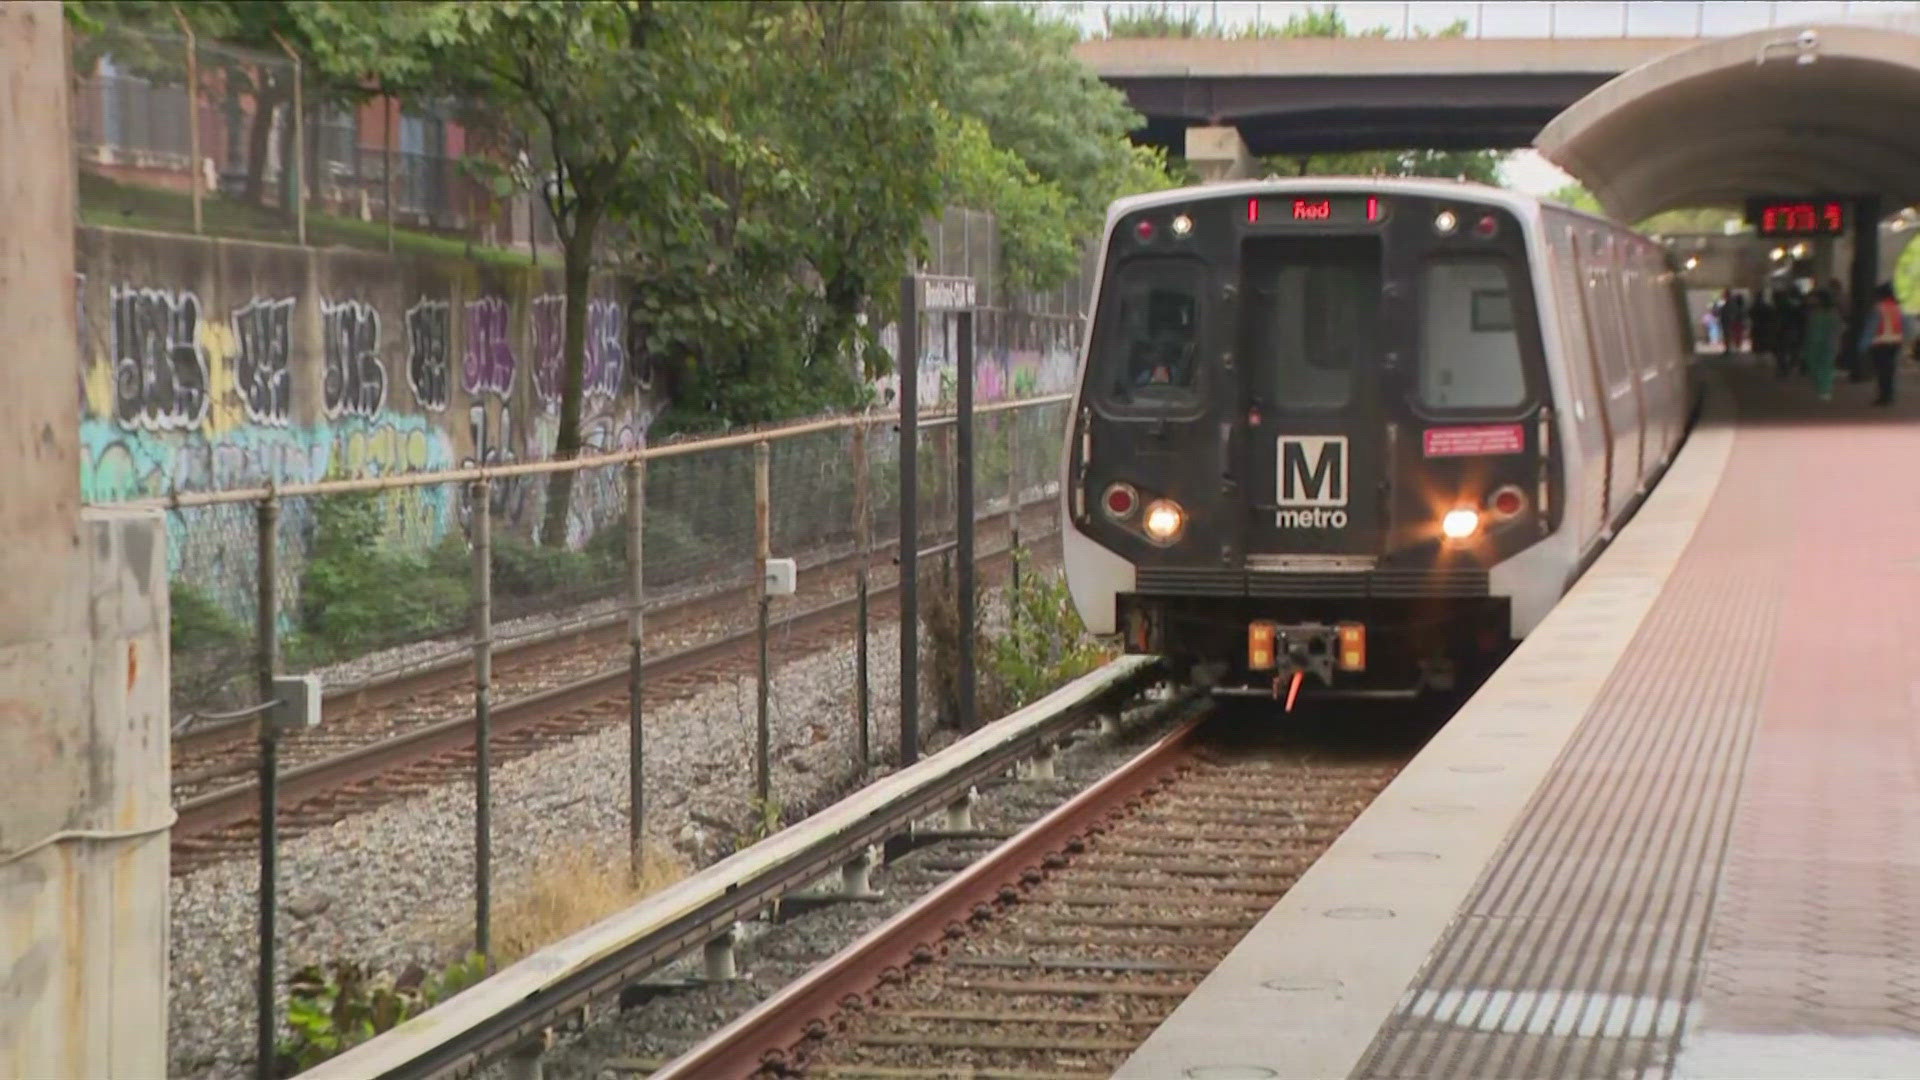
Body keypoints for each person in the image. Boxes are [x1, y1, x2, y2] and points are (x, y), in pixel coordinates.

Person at [1868, 282, 1905, 406]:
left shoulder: (1879, 307)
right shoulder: (1899, 307)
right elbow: (1907, 326)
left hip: (1880, 343)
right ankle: (1889, 394)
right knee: (1890, 370)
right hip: (1895, 342)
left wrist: (1863, 344)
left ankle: (1884, 395)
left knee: (1882, 371)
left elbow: (1871, 327)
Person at [1802, 289, 1841, 401]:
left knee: (1825, 365)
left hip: (1826, 342)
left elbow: (1836, 329)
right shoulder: (1815, 313)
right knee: (1815, 364)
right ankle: (1823, 387)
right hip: (1814, 343)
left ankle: (1825, 389)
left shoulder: (1830, 313)